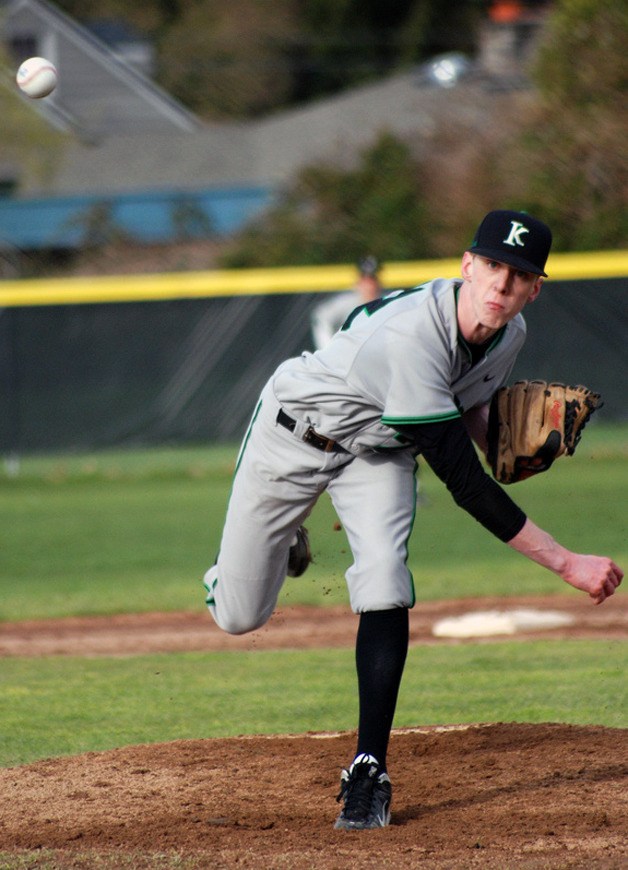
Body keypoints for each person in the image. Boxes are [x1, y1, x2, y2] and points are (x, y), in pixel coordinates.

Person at [203, 209, 623, 831]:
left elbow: (471, 410)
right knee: (239, 617)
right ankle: (274, 540)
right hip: (294, 438)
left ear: (536, 288)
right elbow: (467, 485)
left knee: (384, 578)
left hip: (379, 451)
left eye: (519, 276)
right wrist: (567, 562)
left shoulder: (511, 334)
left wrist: (503, 441)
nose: (501, 288)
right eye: (492, 267)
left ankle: (367, 770)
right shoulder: (411, 339)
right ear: (467, 266)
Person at [311, 255, 384, 350]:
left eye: (372, 279)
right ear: (358, 281)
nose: (369, 285)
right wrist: (328, 350)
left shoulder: (389, 301)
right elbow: (320, 318)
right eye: (365, 279)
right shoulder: (346, 303)